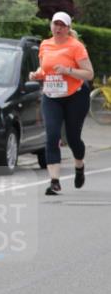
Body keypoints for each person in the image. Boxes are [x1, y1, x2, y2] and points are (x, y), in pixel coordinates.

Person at [29, 11, 94, 195]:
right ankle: (54, 181)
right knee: (52, 135)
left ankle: (79, 165)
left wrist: (68, 70)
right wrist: (36, 74)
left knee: (73, 138)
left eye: (62, 25)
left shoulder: (76, 46)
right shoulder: (45, 45)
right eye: (55, 24)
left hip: (76, 96)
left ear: (68, 28)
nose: (58, 28)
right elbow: (45, 68)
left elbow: (89, 73)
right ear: (51, 26)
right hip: (52, 96)